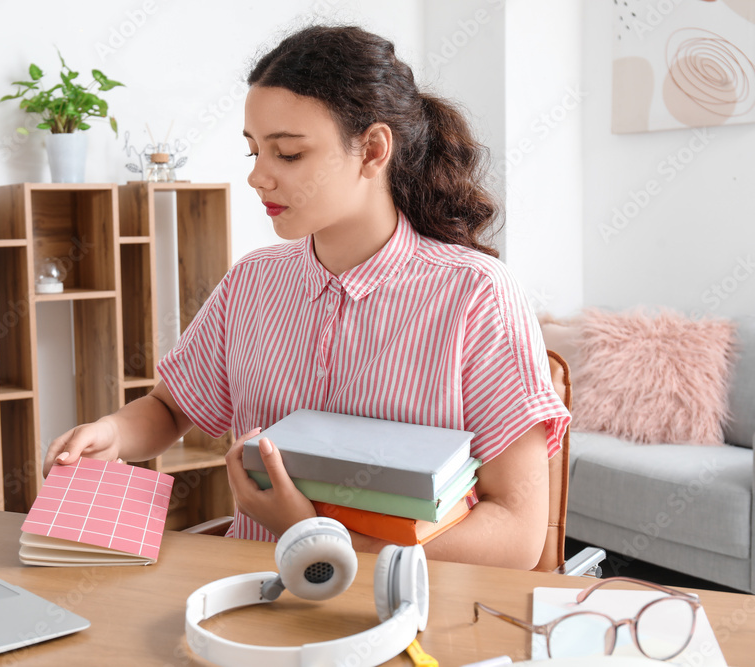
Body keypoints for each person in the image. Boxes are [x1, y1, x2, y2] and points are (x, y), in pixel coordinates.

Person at [43, 25, 570, 570]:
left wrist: (318, 539)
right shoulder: (252, 281)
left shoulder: (475, 293)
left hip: (405, 614)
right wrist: (110, 434)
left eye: (288, 154)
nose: (256, 177)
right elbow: (168, 408)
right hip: (251, 594)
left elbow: (516, 533)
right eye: (252, 151)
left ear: (372, 149)